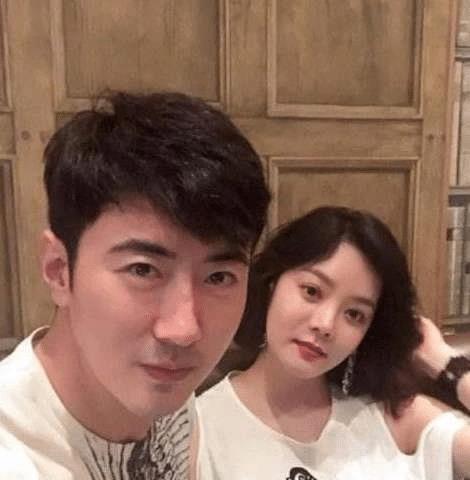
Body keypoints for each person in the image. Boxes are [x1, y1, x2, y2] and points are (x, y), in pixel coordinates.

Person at [0, 91, 270, 478]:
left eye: (218, 277)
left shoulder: (160, 385)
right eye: (143, 270)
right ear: (59, 270)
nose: (184, 330)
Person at [195, 206, 470, 480]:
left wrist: (447, 364)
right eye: (312, 291)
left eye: (354, 314)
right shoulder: (201, 430)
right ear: (272, 283)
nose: (325, 325)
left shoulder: (393, 416)